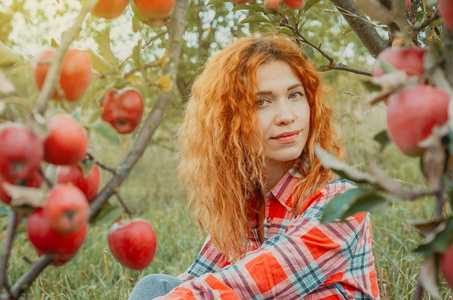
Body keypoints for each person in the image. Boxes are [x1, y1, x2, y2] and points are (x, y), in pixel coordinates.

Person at [128, 35, 380, 300]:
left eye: (294, 95)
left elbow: (252, 285)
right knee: (154, 286)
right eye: (262, 101)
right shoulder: (245, 204)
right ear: (229, 119)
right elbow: (196, 280)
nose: (286, 116)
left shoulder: (341, 203)